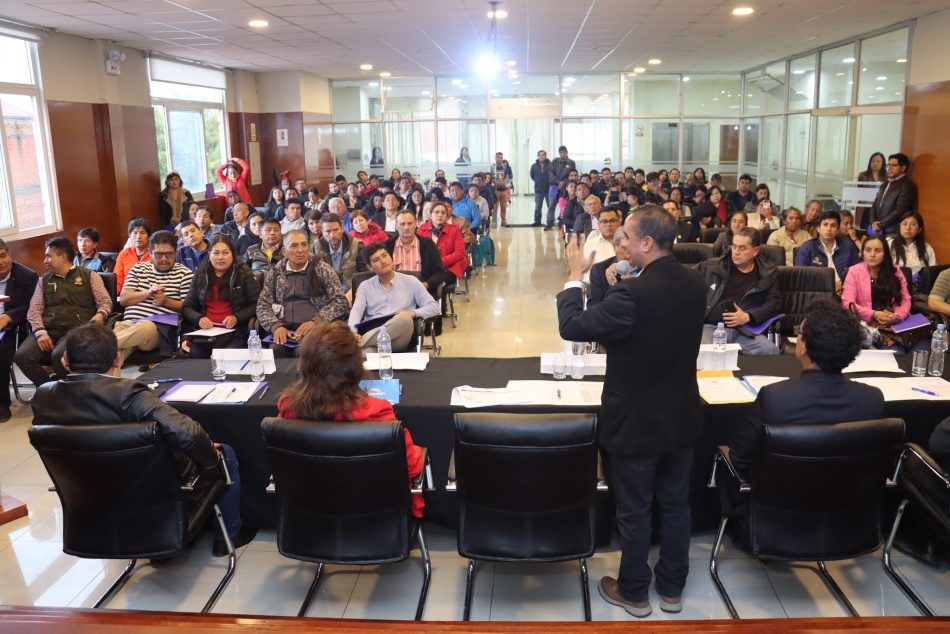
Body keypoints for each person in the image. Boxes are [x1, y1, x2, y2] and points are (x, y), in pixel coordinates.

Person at [557, 207, 705, 618]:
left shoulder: (633, 294)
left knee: (635, 511)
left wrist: (574, 276)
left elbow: (573, 326)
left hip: (637, 422)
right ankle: (672, 590)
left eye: (626, 236)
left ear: (647, 243)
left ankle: (634, 592)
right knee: (675, 506)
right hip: (681, 415)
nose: (620, 242)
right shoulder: (695, 281)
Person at [30, 323, 256, 556]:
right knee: (224, 453)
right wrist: (211, 457)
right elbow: (188, 434)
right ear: (117, 359)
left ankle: (164, 549)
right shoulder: (127, 393)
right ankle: (228, 535)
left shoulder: (43, 396)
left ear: (65, 359)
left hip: (87, 494)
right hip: (146, 489)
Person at [276, 320, 424, 517]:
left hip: (309, 517)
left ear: (304, 365)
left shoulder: (288, 408)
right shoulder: (377, 412)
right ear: (355, 367)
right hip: (376, 516)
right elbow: (411, 466)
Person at [728, 300, 885, 475]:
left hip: (783, 491)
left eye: (799, 332)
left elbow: (739, 460)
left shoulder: (774, 398)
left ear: (805, 348)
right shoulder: (873, 398)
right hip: (851, 491)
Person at [15, 237, 113, 386]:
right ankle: (50, 389)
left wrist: (101, 314)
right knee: (22, 356)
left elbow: (105, 301)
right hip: (48, 329)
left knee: (60, 355)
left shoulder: (90, 276)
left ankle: (69, 391)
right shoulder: (44, 280)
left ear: (63, 257)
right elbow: (34, 309)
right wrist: (40, 332)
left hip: (76, 330)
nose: (45, 261)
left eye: (48, 256)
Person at [256, 229, 349, 358]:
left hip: (315, 330)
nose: (300, 250)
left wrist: (316, 321)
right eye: (294, 246)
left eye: (304, 245)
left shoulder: (322, 270)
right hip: (285, 330)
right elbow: (262, 305)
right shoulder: (276, 273)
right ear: (284, 251)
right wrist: (275, 326)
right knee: (275, 351)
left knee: (303, 352)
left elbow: (340, 302)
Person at [697, 226, 781, 355]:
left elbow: (774, 304)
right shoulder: (713, 266)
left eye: (742, 248)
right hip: (712, 328)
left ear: (755, 250)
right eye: (734, 246)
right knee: (705, 353)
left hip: (744, 331)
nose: (736, 252)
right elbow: (686, 279)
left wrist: (748, 317)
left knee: (771, 351)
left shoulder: (767, 273)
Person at [114, 230, 192, 364]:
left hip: (159, 330)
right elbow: (123, 299)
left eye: (169, 254)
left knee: (144, 327)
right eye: (158, 254)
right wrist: (148, 293)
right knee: (114, 357)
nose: (164, 259)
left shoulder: (185, 274)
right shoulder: (138, 269)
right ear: (150, 253)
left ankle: (97, 347)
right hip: (129, 324)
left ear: (176, 253)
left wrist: (166, 301)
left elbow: (189, 308)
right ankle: (101, 372)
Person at [348, 241, 440, 352]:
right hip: (374, 336)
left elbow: (434, 307)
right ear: (369, 267)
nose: (383, 261)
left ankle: (355, 344)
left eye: (384, 255)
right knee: (364, 355)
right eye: (376, 260)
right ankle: (359, 345)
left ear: (391, 257)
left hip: (400, 335)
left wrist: (413, 313)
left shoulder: (411, 281)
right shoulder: (365, 286)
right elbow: (356, 311)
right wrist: (352, 332)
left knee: (405, 318)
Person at [842, 235, 925, 353]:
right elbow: (848, 304)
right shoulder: (854, 272)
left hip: (899, 323)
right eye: (868, 250)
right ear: (862, 253)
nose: (872, 255)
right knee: (897, 353)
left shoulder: (895, 271)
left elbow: (905, 299)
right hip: (872, 327)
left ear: (885, 253)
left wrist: (897, 317)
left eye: (878, 251)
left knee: (922, 350)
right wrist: (874, 314)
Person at [183, 235, 261, 358]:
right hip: (206, 333)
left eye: (225, 253)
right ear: (209, 255)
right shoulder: (201, 274)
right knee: (196, 357)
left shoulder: (244, 273)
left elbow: (256, 304)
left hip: (235, 333)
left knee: (226, 358)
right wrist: (199, 319)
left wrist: (237, 318)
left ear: (232, 255)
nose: (220, 257)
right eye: (216, 253)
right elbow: (187, 306)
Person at [0, 239, 38, 421]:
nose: (0, 262)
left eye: (3, 256)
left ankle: (1, 402)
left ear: (9, 254)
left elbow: (33, 306)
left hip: (13, 327)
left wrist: (9, 316)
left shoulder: (26, 276)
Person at [385, 210, 451, 296]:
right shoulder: (386, 246)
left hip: (421, 293)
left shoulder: (428, 245)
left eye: (409, 223)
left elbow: (440, 272)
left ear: (415, 224)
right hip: (393, 293)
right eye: (402, 224)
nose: (406, 227)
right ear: (396, 226)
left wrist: (426, 285)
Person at [794, 211, 861, 293]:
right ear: (818, 228)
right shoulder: (808, 247)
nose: (829, 229)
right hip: (817, 293)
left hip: (845, 291)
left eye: (833, 225)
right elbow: (800, 275)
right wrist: (828, 286)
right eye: (825, 224)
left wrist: (843, 284)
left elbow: (858, 272)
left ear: (838, 230)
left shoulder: (848, 246)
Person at [310, 212, 366, 296]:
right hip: (325, 293)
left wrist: (353, 291)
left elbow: (365, 276)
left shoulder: (356, 246)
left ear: (342, 228)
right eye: (328, 231)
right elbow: (310, 276)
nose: (332, 235)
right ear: (322, 232)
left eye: (336, 230)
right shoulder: (316, 247)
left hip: (352, 292)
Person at [870, 153, 918, 238]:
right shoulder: (885, 184)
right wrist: (873, 222)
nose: (890, 168)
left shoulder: (907, 186)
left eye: (894, 165)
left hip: (893, 232)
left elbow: (899, 211)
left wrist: (880, 225)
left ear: (903, 168)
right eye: (889, 165)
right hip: (878, 230)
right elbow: (875, 205)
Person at [417, 201, 468, 282]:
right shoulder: (422, 229)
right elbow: (416, 250)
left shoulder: (454, 230)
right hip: (426, 266)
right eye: (436, 212)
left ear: (447, 216)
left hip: (448, 266)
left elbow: (459, 253)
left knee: (436, 280)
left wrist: (440, 262)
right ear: (430, 214)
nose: (440, 215)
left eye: (443, 213)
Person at [890, 212, 936, 293]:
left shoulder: (927, 248)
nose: (908, 228)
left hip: (919, 291)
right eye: (904, 224)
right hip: (894, 289)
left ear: (920, 229)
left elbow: (932, 273)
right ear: (899, 226)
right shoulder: (889, 245)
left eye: (913, 224)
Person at [588, 231, 628, 309]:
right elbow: (594, 308)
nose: (629, 253)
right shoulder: (599, 270)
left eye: (633, 248)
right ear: (614, 246)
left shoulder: (645, 267)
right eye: (624, 249)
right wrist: (615, 279)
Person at [114, 218, 152, 293]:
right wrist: (115, 296)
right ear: (130, 236)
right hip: (126, 294)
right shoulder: (124, 254)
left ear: (149, 237)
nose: (138, 236)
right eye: (135, 233)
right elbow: (117, 278)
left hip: (148, 294)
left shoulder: (155, 254)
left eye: (142, 233)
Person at [856, 152, 887, 229]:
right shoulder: (863, 175)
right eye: (873, 161)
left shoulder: (886, 176)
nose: (875, 163)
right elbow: (859, 190)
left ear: (883, 163)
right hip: (865, 207)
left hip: (879, 208)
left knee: (877, 229)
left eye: (878, 161)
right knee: (864, 228)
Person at [529, 150, 554, 229]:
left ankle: (550, 221)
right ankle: (537, 221)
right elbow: (532, 176)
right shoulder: (534, 166)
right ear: (538, 156)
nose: (541, 156)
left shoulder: (551, 165)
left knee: (551, 206)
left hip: (549, 189)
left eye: (543, 155)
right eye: (540, 155)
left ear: (545, 156)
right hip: (538, 190)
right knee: (538, 207)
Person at [491, 152, 513, 227]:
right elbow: (491, 178)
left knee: (503, 206)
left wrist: (503, 182)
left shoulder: (504, 167)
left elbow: (507, 177)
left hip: (503, 190)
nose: (500, 159)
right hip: (496, 190)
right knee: (495, 207)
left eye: (501, 157)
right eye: (498, 157)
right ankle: (494, 221)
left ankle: (503, 220)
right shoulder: (492, 167)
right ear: (495, 158)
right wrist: (498, 183)